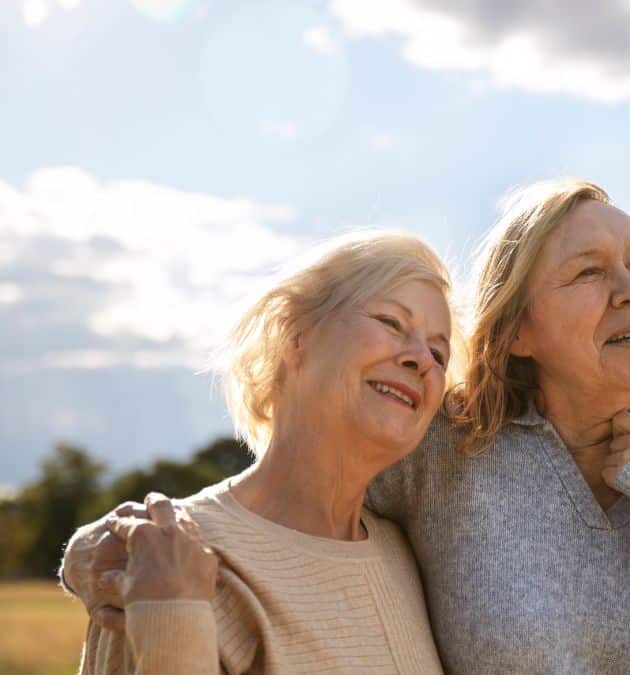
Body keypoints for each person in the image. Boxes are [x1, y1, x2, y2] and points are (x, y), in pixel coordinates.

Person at [65, 179, 630, 674]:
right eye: (590, 271)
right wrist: (108, 547)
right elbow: (305, 475)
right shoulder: (452, 452)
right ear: (519, 327)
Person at [71, 231, 454, 674]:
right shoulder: (169, 556)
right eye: (391, 322)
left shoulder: (411, 555)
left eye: (439, 354)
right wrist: (168, 613)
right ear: (296, 337)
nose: (420, 359)